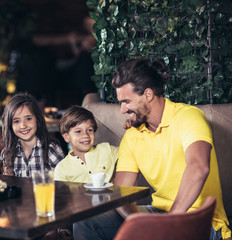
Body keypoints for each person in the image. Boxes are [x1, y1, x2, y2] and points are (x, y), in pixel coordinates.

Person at [73, 58, 231, 240]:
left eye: (126, 101)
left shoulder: (188, 117)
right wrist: (139, 223)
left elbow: (199, 168)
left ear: (148, 95)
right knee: (87, 221)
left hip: (201, 220)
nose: (122, 109)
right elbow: (121, 192)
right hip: (158, 214)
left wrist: (169, 223)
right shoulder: (132, 136)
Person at [0, 92, 65, 177]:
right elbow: (9, 182)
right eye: (16, 121)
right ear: (10, 125)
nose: (23, 125)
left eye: (28, 119)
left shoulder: (51, 149)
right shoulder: (7, 153)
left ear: (37, 119)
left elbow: (62, 183)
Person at [54, 105, 118, 183]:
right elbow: (62, 193)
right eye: (78, 131)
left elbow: (129, 152)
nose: (85, 135)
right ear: (66, 137)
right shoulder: (62, 168)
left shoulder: (106, 150)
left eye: (89, 130)